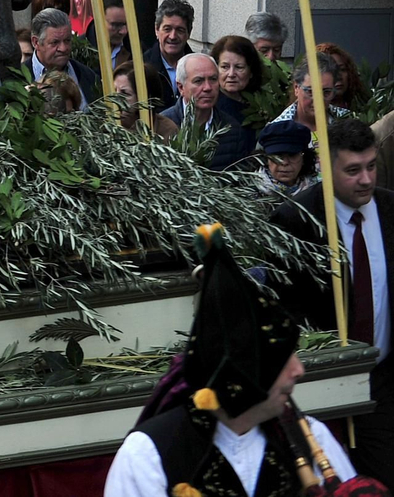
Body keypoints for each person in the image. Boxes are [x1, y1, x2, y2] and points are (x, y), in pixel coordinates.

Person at [104, 223, 359, 496]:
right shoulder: (148, 455)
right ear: (241, 375)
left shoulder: (311, 437)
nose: (299, 370)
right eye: (282, 359)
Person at [271, 117, 394, 486]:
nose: (367, 179)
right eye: (353, 170)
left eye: (371, 166)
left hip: (384, 377)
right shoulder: (295, 219)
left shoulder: (390, 211)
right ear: (325, 166)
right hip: (321, 384)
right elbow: (283, 305)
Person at [164, 52, 254, 168]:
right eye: (198, 81)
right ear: (181, 87)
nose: (207, 88)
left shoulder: (233, 130)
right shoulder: (162, 127)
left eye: (213, 79)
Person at [28, 8, 100, 107]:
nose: (63, 48)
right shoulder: (16, 81)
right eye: (55, 42)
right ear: (36, 42)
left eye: (67, 40)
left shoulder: (87, 76)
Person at [254, 120, 319, 197]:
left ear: (304, 158)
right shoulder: (248, 192)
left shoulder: (318, 192)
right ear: (266, 158)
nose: (284, 162)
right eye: (278, 156)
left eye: (292, 155)